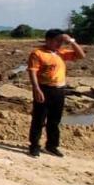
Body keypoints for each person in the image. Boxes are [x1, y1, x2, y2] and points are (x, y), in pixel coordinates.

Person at [26, 29, 85, 158]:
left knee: (54, 120)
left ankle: (52, 146)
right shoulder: (38, 53)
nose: (59, 44)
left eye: (61, 41)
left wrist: (71, 41)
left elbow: (81, 55)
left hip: (59, 90)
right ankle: (34, 146)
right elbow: (32, 71)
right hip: (44, 89)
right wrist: (36, 89)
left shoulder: (61, 53)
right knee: (39, 119)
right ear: (48, 40)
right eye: (57, 41)